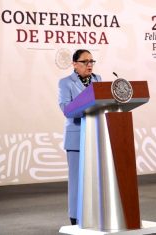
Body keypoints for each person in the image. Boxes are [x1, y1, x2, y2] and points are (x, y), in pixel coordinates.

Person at [58, 49, 102, 225]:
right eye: (85, 61)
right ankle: (75, 218)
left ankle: (96, 214)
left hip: (97, 136)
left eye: (92, 61)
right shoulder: (65, 83)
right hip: (76, 136)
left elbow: (104, 102)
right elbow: (67, 109)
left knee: (96, 178)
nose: (89, 64)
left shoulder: (98, 80)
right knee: (77, 180)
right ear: (75, 64)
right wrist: (88, 109)